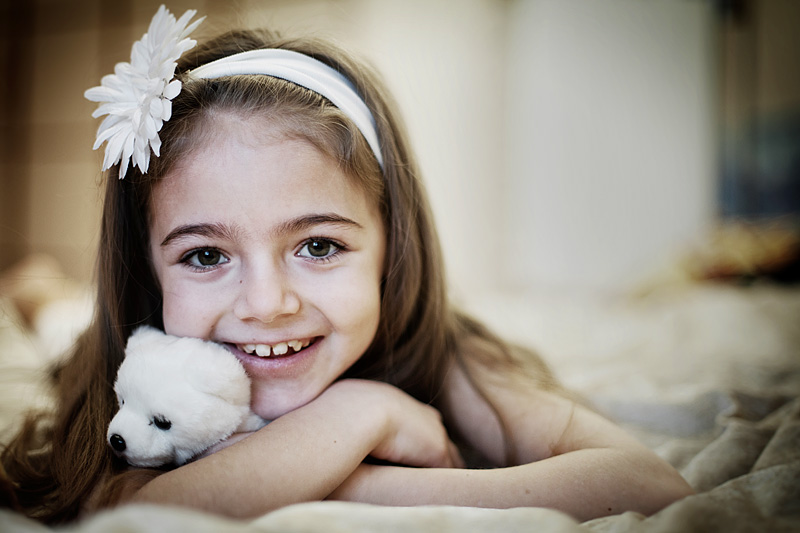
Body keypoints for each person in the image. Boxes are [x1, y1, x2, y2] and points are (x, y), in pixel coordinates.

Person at [1, 6, 693, 524]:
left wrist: (343, 481)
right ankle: (40, 292)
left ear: (393, 247)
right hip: (90, 336)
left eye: (319, 246)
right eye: (205, 255)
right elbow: (126, 509)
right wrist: (360, 414)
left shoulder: (446, 357)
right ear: (147, 273)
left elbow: (648, 484)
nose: (266, 304)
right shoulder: (143, 371)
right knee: (61, 322)